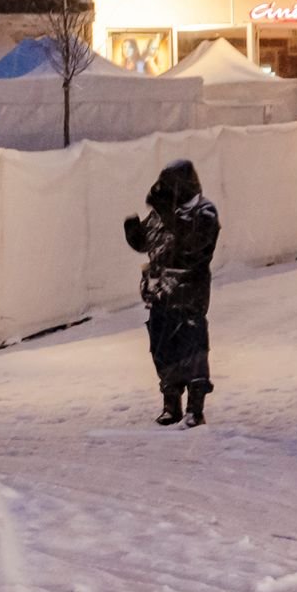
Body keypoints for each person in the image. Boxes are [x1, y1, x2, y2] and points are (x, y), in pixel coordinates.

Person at [122, 160, 221, 426]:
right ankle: (171, 403)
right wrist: (133, 231)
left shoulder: (204, 212)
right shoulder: (163, 213)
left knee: (193, 348)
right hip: (160, 293)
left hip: (190, 293)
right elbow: (147, 241)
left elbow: (194, 248)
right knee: (162, 348)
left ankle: (195, 408)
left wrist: (168, 215)